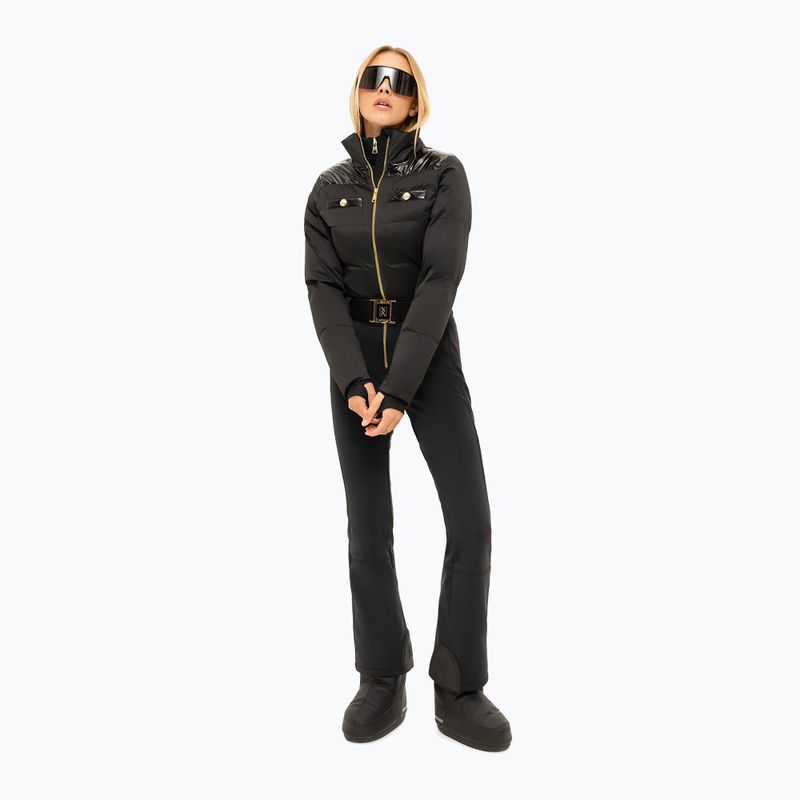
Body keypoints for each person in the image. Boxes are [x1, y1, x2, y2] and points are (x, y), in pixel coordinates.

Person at [303, 45, 512, 752]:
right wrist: (355, 381)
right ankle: (381, 676)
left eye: (399, 80)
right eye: (374, 77)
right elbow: (322, 287)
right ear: (359, 92)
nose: (385, 87)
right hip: (355, 360)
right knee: (368, 528)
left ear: (416, 98)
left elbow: (440, 279)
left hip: (428, 354)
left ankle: (459, 685)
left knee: (472, 520)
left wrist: (400, 387)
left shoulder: (444, 174)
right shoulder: (326, 188)